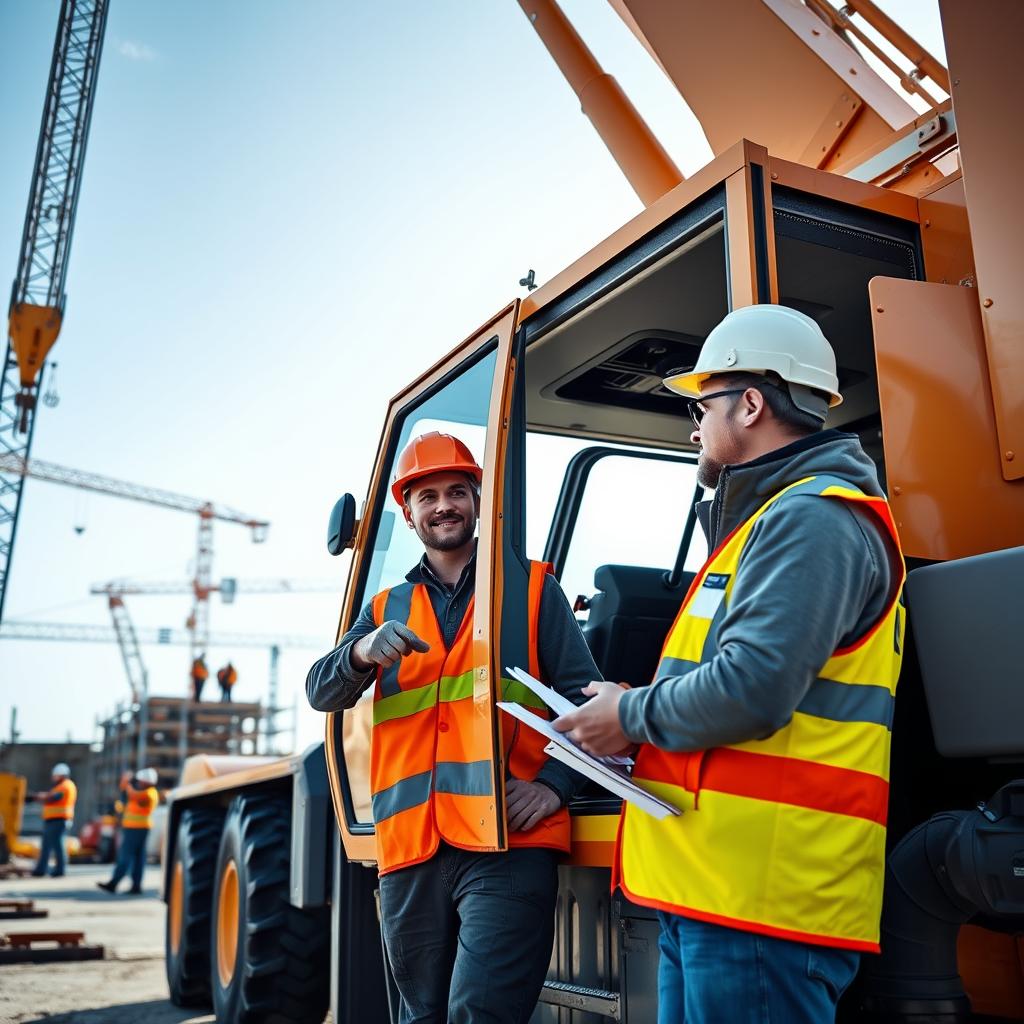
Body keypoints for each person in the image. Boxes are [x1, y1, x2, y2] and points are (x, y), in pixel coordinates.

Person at [555, 305, 906, 1024]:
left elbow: (753, 689)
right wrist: (634, 706)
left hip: (760, 903)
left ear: (750, 404)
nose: (694, 426)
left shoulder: (811, 519)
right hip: (719, 893)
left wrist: (627, 715)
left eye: (702, 404)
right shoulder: (776, 520)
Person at [307, 431, 601, 1024]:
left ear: (476, 500)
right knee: (421, 1017)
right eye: (429, 495)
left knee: (480, 1012)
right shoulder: (386, 606)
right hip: (411, 848)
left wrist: (553, 786)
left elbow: (587, 701)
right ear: (409, 514)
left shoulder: (534, 590)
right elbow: (321, 691)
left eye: (457, 491)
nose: (444, 504)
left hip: (506, 844)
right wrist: (361, 653)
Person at [97, 767, 160, 895]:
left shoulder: (148, 793)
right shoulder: (145, 791)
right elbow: (127, 797)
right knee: (138, 858)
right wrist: (127, 784)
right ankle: (136, 886)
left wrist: (128, 784)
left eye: (141, 781)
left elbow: (133, 795)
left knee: (125, 856)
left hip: (136, 828)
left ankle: (114, 883)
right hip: (137, 828)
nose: (139, 783)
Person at [31, 763, 77, 878]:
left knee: (58, 845)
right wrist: (41, 797)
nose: (53, 777)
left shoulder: (66, 785)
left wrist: (40, 797)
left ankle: (60, 869)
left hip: (59, 820)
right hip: (52, 820)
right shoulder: (59, 786)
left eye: (55, 775)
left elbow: (54, 798)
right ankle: (41, 869)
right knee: (46, 845)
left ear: (61, 775)